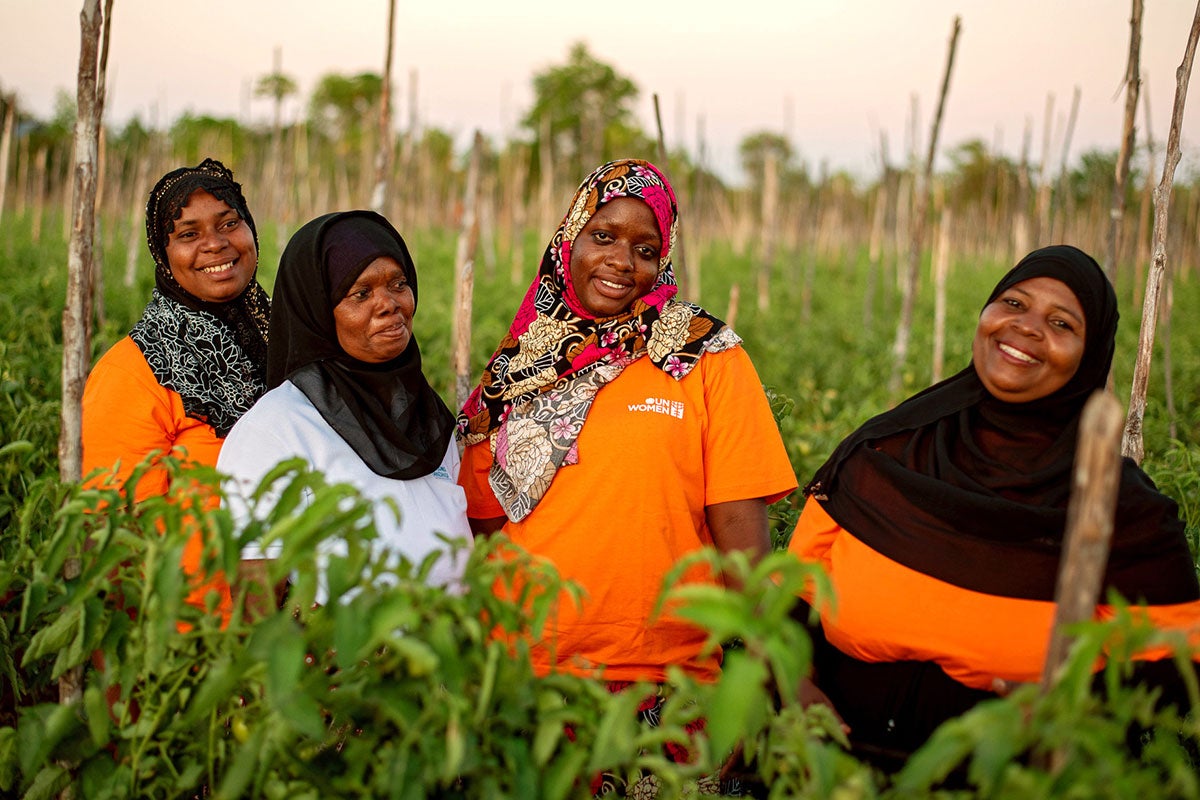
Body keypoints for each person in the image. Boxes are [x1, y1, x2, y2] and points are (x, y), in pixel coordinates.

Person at [788, 244, 1200, 766]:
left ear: (1091, 354)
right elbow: (789, 598)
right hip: (831, 767)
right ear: (984, 315)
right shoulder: (884, 453)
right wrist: (795, 688)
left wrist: (1079, 711)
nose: (1026, 327)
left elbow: (1177, 668)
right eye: (1013, 303)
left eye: (1061, 323)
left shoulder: (1120, 511)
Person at [457, 158, 798, 684]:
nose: (621, 261)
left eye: (645, 251)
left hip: (666, 675)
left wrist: (776, 667)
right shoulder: (520, 364)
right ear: (571, 236)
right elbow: (480, 524)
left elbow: (739, 529)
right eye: (603, 236)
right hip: (523, 675)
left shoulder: (699, 352)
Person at [218, 211, 470, 604]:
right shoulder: (277, 428)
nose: (389, 304)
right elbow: (255, 608)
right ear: (318, 309)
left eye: (399, 284)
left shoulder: (427, 415)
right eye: (360, 293)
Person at [82, 158, 269, 623]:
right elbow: (114, 544)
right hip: (192, 647)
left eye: (230, 223)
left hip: (293, 643)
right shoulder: (132, 372)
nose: (215, 244)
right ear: (162, 253)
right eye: (188, 234)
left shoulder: (285, 342)